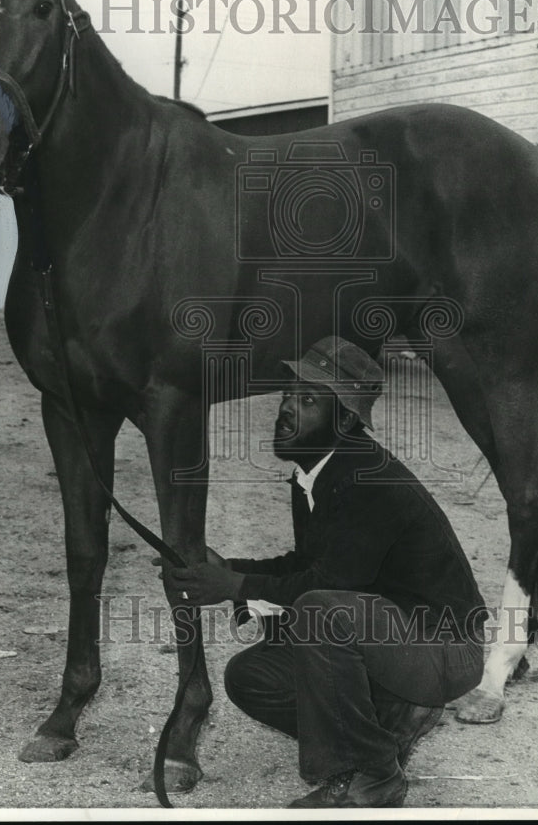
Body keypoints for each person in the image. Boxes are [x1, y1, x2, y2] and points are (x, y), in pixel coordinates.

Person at [168, 336, 486, 809]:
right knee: (251, 675)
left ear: (346, 419)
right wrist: (228, 570)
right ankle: (391, 726)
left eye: (309, 399)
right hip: (393, 637)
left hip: (445, 648)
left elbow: (328, 587)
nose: (288, 409)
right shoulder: (316, 470)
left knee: (320, 611)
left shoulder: (366, 479)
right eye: (289, 394)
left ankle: (374, 777)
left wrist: (234, 587)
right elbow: (313, 566)